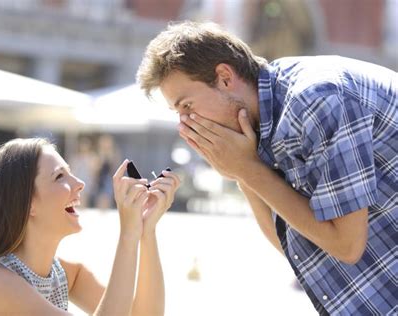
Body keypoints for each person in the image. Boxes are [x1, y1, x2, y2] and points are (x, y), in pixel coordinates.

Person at [137, 21, 396, 315]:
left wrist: (247, 170)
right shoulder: (267, 121)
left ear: (224, 77)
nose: (185, 124)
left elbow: (347, 245)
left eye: (187, 106)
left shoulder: (315, 100)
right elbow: (299, 249)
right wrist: (241, 172)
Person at [0, 138, 180, 315]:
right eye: (59, 177)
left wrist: (146, 231)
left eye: (71, 173)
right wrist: (128, 235)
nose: (79, 183)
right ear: (26, 203)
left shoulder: (63, 274)